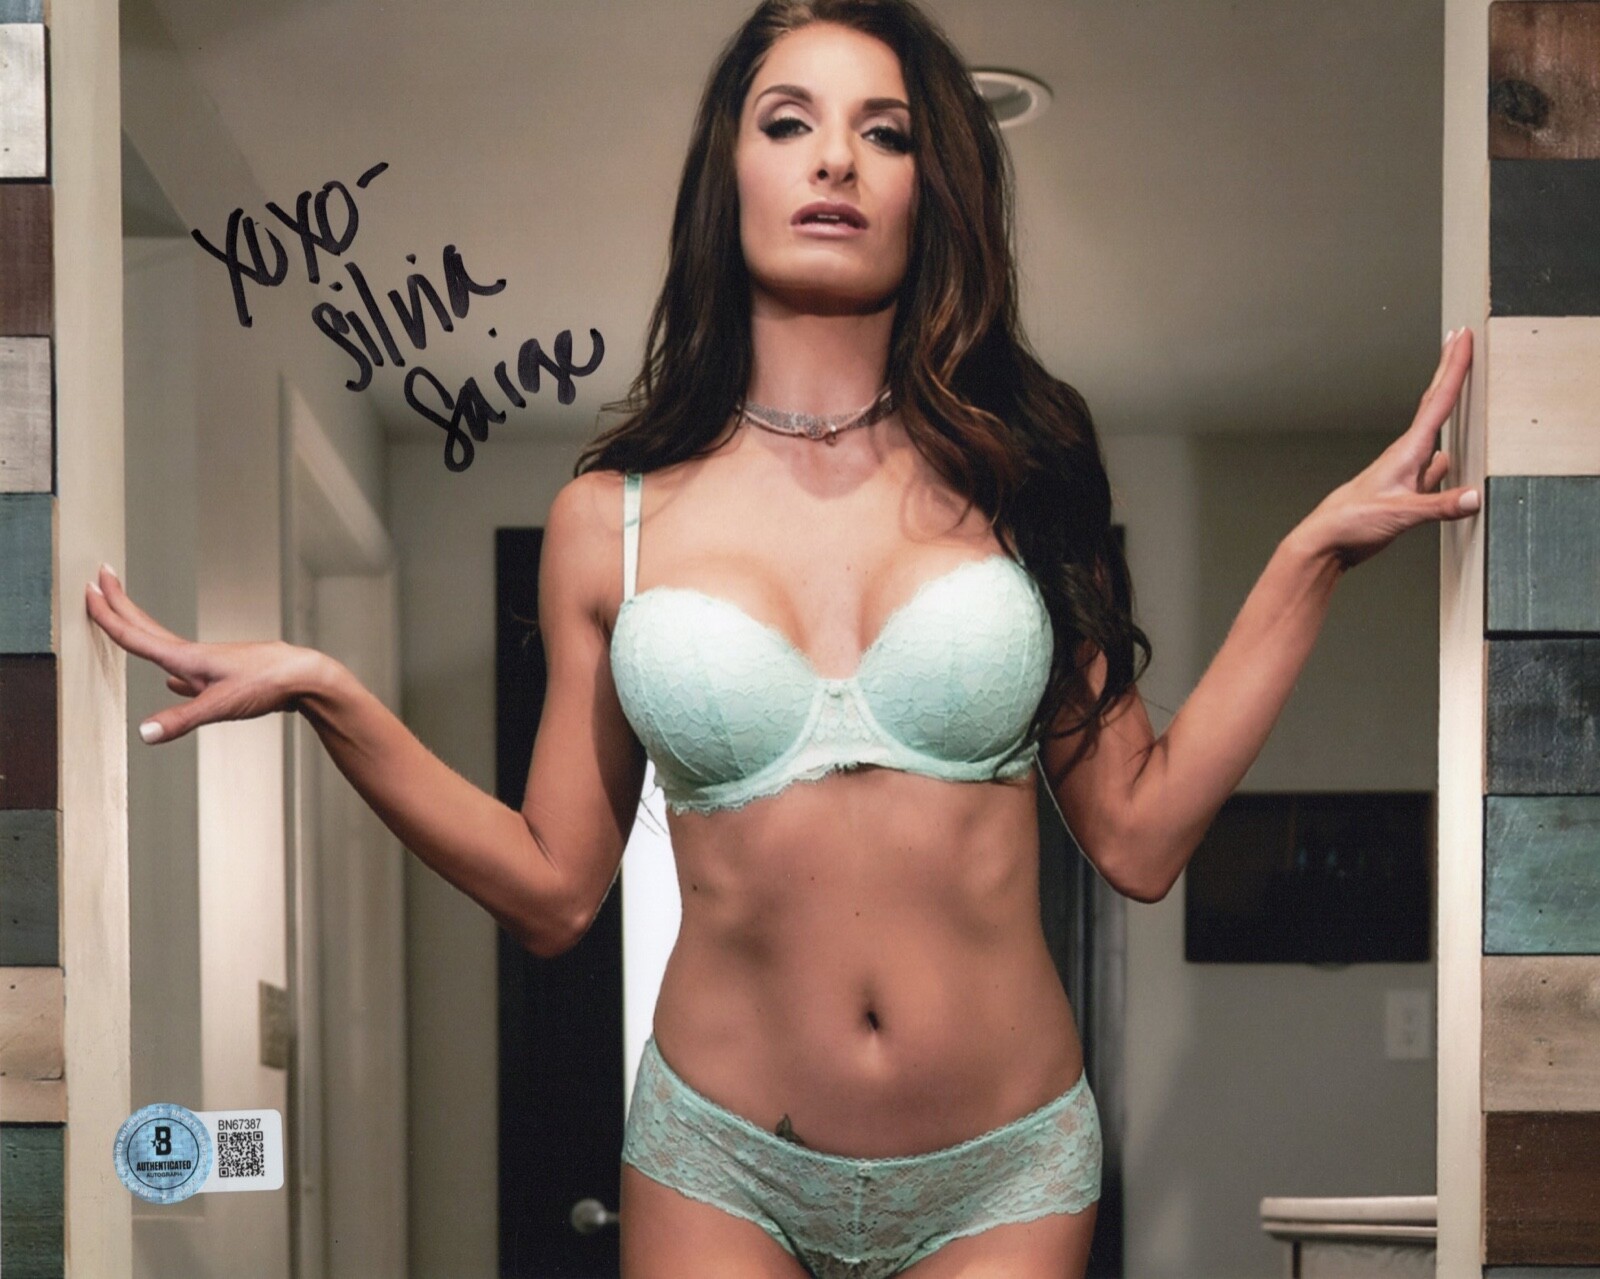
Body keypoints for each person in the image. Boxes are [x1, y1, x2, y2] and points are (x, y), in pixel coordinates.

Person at [87, 1, 1477, 1274]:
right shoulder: (611, 523)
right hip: (718, 1162)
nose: (835, 161)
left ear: (934, 188)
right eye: (789, 120)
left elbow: (1140, 836)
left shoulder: (1027, 475)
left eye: (886, 133)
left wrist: (1308, 560)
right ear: (730, 170)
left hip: (1006, 1169)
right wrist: (331, 694)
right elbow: (555, 891)